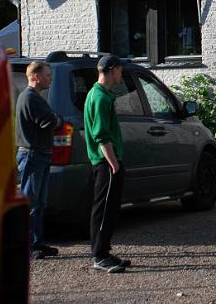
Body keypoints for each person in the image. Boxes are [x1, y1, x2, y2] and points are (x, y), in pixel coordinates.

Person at [84, 54, 130, 273]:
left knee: (110, 208)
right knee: (103, 209)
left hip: (107, 161)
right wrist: (113, 163)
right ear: (113, 70)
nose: (121, 74)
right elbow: (100, 134)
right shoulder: (100, 97)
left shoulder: (100, 94)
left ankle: (104, 250)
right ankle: (99, 255)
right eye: (120, 70)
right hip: (105, 162)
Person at [15, 61, 62, 259]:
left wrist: (55, 118)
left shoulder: (34, 98)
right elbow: (51, 121)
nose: (50, 78)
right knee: (32, 203)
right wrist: (57, 119)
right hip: (33, 155)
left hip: (38, 155)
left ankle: (37, 242)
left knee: (39, 203)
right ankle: (28, 245)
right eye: (47, 75)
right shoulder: (31, 98)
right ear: (35, 76)